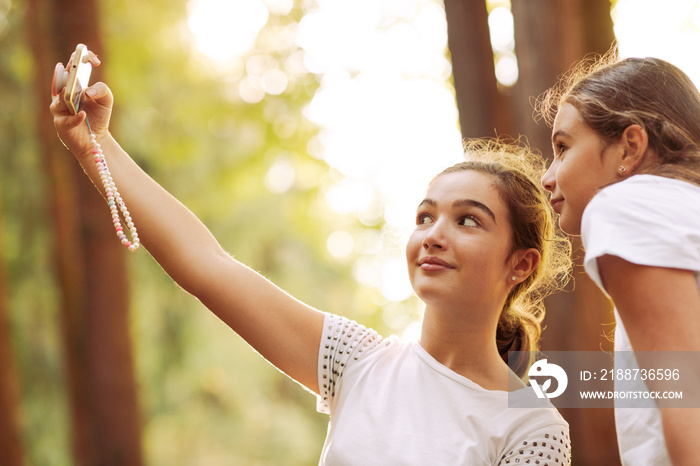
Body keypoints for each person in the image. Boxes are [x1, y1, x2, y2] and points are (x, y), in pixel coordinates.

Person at [51, 50, 572, 465]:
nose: (434, 235)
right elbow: (207, 264)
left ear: (521, 264)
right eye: (425, 216)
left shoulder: (533, 429)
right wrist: (96, 145)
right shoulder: (358, 360)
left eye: (467, 220)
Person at [540, 50, 700, 466]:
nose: (547, 177)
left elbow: (688, 395)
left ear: (629, 147)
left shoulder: (627, 205)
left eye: (562, 147)